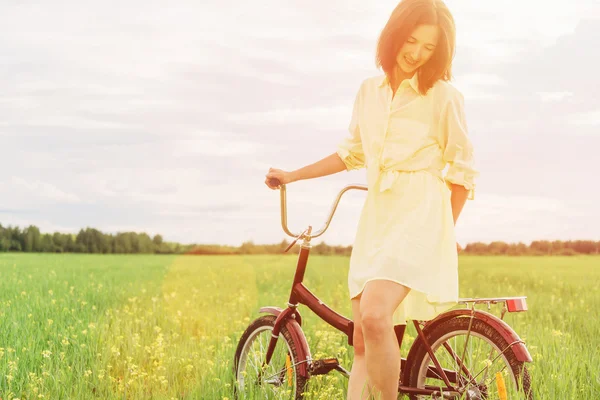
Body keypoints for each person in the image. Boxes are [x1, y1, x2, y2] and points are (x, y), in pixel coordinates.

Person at [265, 0, 478, 398]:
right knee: (363, 337)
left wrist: (445, 230)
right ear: (393, 35)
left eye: (429, 48)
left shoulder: (444, 97)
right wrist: (292, 174)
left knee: (377, 316)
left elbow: (463, 173)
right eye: (411, 41)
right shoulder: (369, 91)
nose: (416, 53)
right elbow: (350, 154)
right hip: (378, 219)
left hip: (422, 217)